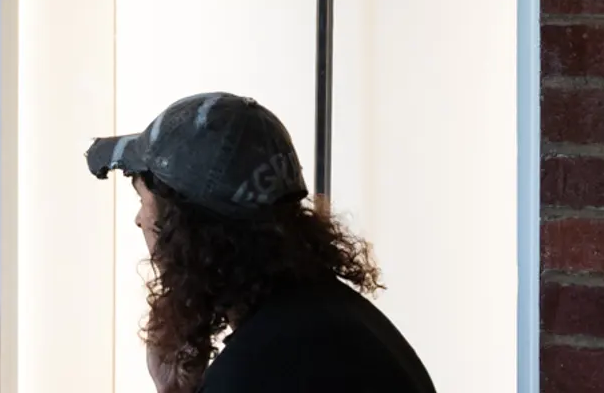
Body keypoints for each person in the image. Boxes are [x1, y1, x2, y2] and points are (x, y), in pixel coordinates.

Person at [86, 92, 436, 393]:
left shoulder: (254, 370)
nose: (139, 220)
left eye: (143, 202)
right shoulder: (341, 324)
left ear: (183, 231)